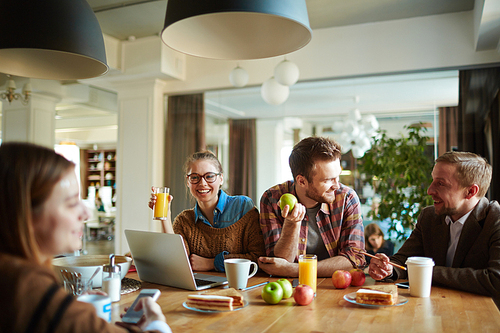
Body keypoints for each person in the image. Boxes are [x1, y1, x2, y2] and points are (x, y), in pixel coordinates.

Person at [0, 142, 171, 333]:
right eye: (72, 203)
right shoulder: (31, 291)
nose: (86, 214)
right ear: (25, 214)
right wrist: (157, 322)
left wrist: (71, 306)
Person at [369, 151, 500, 304]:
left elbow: (496, 280)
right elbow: (402, 260)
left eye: (441, 183)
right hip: (434, 307)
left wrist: (427, 272)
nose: (429, 190)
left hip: (480, 316)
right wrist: (388, 269)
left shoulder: (495, 219)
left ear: (470, 191)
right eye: (433, 181)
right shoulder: (429, 217)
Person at [258, 136, 366, 277]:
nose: (336, 185)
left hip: (334, 285)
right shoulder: (272, 199)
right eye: (328, 180)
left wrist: (296, 270)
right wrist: (292, 224)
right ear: (302, 181)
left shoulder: (347, 198)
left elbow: (355, 259)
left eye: (337, 177)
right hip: (290, 288)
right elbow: (279, 264)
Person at [149, 150, 265, 272]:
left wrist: (212, 263)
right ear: (188, 181)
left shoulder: (242, 206)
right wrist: (165, 217)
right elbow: (175, 262)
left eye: (209, 176)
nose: (202, 183)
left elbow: (259, 258)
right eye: (195, 177)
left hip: (239, 287)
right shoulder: (184, 221)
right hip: (197, 289)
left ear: (221, 179)